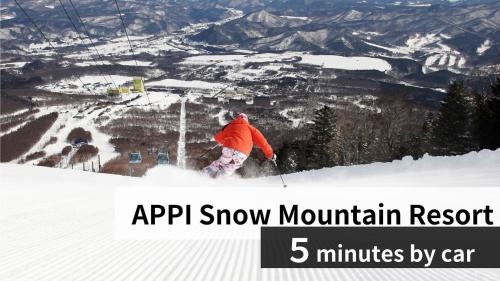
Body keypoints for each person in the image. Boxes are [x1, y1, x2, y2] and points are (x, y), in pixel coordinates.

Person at [203, 113, 276, 178]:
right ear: (246, 121)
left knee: (221, 162)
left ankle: (205, 174)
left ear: (237, 119)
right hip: (242, 152)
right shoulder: (251, 128)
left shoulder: (230, 126)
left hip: (229, 148)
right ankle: (221, 179)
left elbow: (219, 137)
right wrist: (270, 154)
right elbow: (262, 142)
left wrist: (219, 139)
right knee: (231, 167)